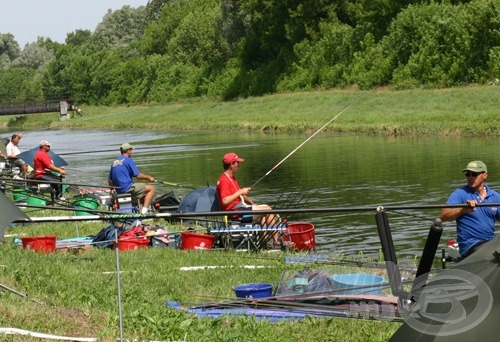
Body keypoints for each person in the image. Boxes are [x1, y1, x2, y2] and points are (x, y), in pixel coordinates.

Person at [216, 152, 280, 244]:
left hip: (241, 209)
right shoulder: (224, 180)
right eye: (237, 163)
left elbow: (240, 194)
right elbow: (224, 201)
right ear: (231, 165)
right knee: (268, 210)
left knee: (264, 209)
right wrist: (240, 192)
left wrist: (252, 204)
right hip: (236, 214)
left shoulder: (231, 178)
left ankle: (263, 242)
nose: (239, 165)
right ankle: (276, 242)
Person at [440, 160, 500, 258]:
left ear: (485, 175)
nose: (470, 177)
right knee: (490, 253)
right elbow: (443, 216)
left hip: (490, 242)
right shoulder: (460, 193)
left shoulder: (495, 197)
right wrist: (462, 210)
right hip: (470, 245)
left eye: (474, 174)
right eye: (468, 174)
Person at [108, 143, 156, 214]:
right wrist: (149, 177)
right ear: (128, 151)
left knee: (142, 189)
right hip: (127, 188)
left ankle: (136, 207)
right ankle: (144, 212)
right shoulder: (128, 160)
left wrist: (112, 189)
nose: (131, 152)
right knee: (151, 189)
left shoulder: (114, 162)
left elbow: (110, 180)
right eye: (131, 150)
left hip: (119, 191)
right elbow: (138, 175)